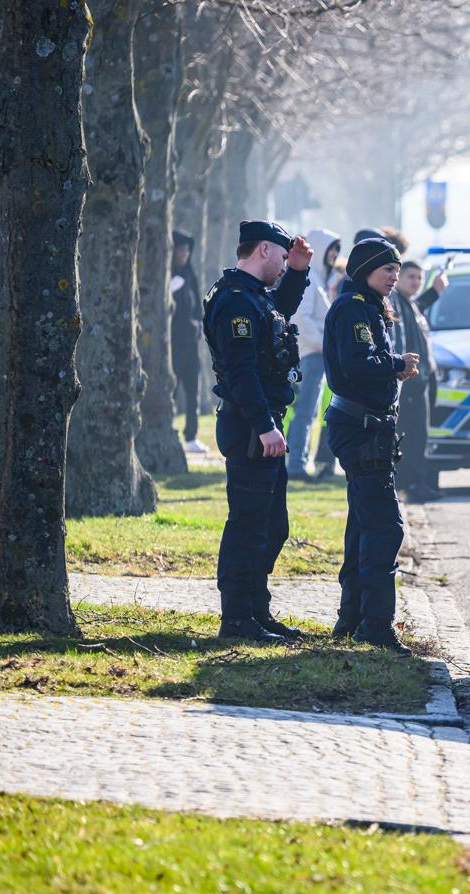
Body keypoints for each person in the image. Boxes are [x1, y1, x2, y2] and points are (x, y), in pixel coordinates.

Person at [202, 220, 313, 643]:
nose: (285, 266)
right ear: (264, 250)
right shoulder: (233, 300)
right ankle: (236, 618)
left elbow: (277, 313)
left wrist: (300, 272)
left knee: (272, 524)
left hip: (263, 423)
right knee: (249, 524)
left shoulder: (251, 296)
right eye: (283, 258)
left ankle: (256, 611)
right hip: (250, 425)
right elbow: (241, 372)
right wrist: (265, 426)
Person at [323, 237, 419, 652]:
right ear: (365, 270)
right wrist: (397, 365)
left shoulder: (368, 306)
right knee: (384, 527)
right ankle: (377, 626)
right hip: (359, 427)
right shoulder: (353, 310)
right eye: (388, 270)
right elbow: (358, 365)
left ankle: (353, 617)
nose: (394, 276)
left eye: (398, 270)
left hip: (370, 427)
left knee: (363, 524)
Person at [287, 228, 341, 480]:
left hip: (316, 352)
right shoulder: (311, 279)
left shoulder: (318, 279)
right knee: (306, 412)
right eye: (331, 249)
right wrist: (326, 344)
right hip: (312, 354)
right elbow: (302, 319)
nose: (335, 255)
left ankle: (299, 461)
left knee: (310, 411)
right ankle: (296, 464)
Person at [389, 260, 442, 502]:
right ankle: (410, 484)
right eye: (410, 276)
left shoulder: (411, 304)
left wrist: (435, 292)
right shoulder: (395, 302)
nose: (415, 282)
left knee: (420, 434)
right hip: (409, 381)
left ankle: (415, 482)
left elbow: (419, 305)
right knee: (411, 434)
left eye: (419, 278)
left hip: (422, 383)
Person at [170, 229, 207, 454]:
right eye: (179, 250)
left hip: (190, 343)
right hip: (172, 343)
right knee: (171, 389)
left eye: (186, 250)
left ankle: (191, 436)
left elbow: (197, 308)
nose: (183, 254)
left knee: (193, 389)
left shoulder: (189, 275)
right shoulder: (168, 276)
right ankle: (170, 429)